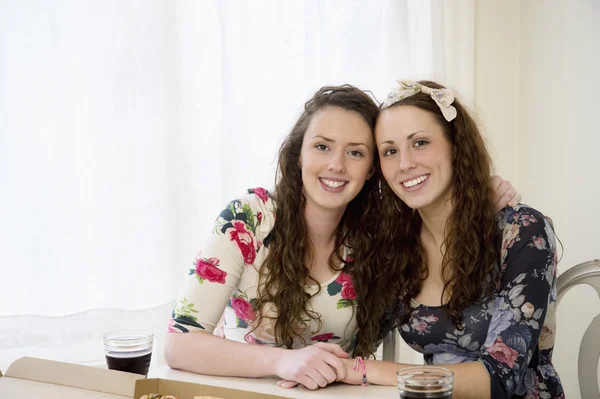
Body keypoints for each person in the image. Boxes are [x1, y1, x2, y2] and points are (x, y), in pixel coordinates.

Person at [164, 84, 520, 391]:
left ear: (371, 170)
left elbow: (433, 202)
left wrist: (475, 191)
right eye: (322, 146)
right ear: (298, 154)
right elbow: (180, 345)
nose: (336, 164)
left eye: (355, 152)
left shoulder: (381, 236)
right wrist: (281, 362)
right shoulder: (248, 219)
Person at [313, 80, 563, 398]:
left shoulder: (522, 231)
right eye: (390, 151)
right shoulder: (398, 247)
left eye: (419, 143)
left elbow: (502, 378)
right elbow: (354, 337)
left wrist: (366, 370)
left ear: (455, 145)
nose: (404, 164)